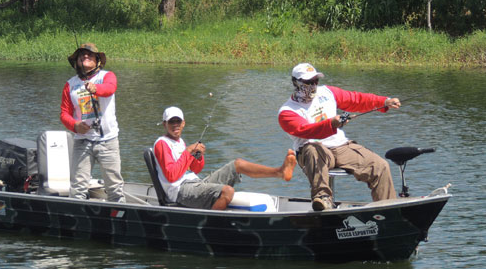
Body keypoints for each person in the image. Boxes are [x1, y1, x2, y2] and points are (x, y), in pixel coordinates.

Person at [278, 63, 401, 211]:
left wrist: (384, 102)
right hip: (311, 152)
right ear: (296, 83)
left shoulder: (328, 92)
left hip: (340, 146)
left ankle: (388, 211)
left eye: (316, 81)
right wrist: (331, 124)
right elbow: (305, 130)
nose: (313, 85)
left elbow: (356, 99)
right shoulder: (287, 112)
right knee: (313, 148)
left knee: (380, 166)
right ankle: (323, 199)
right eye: (308, 82)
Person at [153, 106, 297, 210]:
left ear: (183, 123)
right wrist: (188, 151)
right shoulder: (162, 143)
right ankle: (210, 224)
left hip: (195, 183)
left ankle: (280, 172)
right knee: (227, 191)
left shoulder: (179, 142)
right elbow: (171, 176)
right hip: (180, 191)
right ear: (165, 124)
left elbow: (195, 169)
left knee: (238, 164)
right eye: (171, 122)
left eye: (178, 121)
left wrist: (198, 156)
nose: (175, 125)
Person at [60, 42, 125, 203]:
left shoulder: (107, 76)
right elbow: (64, 113)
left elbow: (110, 88)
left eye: (90, 55)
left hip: (108, 140)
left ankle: (120, 216)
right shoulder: (70, 85)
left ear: (97, 61)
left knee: (114, 187)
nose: (86, 56)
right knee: (78, 187)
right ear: (77, 62)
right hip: (83, 142)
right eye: (82, 55)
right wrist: (75, 125)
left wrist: (96, 88)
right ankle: (77, 219)